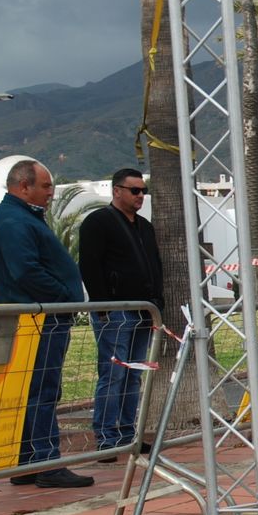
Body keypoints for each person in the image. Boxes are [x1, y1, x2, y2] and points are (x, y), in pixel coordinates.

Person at [0, 159, 93, 489]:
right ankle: (45, 460)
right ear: (23, 186)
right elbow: (26, 270)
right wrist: (62, 296)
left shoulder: (19, 217)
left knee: (36, 389)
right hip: (38, 319)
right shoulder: (14, 221)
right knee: (42, 389)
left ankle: (27, 461)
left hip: (38, 317)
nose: (51, 192)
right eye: (45, 186)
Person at [79, 167, 164, 460]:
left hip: (144, 310)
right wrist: (102, 305)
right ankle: (106, 437)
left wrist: (157, 300)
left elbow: (154, 263)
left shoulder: (144, 226)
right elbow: (89, 266)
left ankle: (129, 434)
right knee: (113, 373)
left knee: (134, 375)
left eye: (143, 191)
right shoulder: (97, 222)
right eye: (135, 190)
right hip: (114, 311)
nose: (140, 196)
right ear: (117, 191)